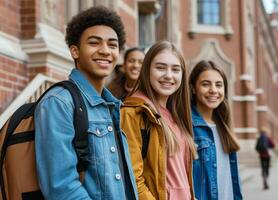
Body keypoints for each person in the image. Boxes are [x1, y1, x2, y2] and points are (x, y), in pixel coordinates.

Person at [34, 6, 138, 199]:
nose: (105, 51)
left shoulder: (113, 106)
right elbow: (61, 188)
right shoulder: (59, 103)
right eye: (94, 43)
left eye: (112, 45)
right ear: (75, 51)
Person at [121, 41, 197, 200]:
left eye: (175, 69)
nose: (169, 75)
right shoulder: (133, 112)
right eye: (160, 67)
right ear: (147, 70)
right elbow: (133, 178)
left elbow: (181, 176)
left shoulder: (177, 116)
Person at [189, 60, 243, 199]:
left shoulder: (224, 126)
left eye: (219, 85)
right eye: (205, 84)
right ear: (193, 88)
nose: (213, 90)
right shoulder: (187, 126)